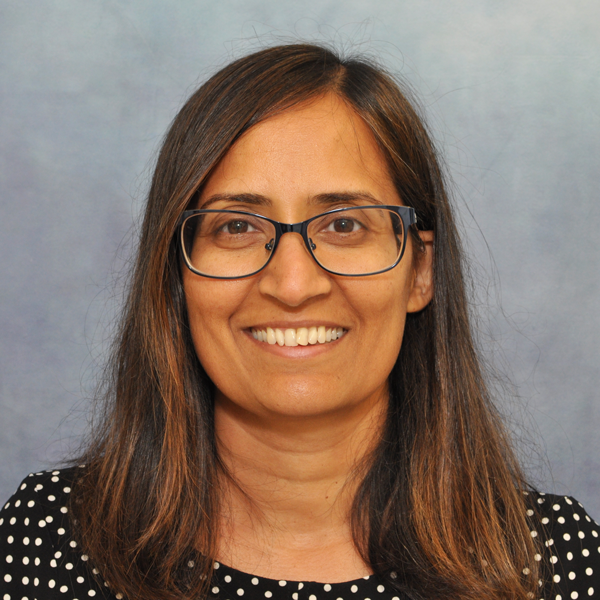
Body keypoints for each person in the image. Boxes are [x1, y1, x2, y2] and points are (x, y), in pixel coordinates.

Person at [1, 43, 598, 600]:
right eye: (237, 227)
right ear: (175, 276)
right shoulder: (51, 543)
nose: (292, 285)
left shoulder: (550, 563)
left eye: (344, 224)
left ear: (420, 272)